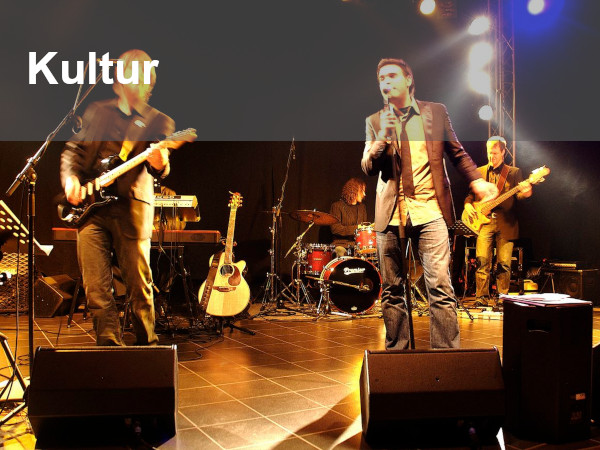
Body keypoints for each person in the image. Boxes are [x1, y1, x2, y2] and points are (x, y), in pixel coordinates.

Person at [361, 58, 498, 350]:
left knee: (440, 286)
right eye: (381, 78)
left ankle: (446, 357)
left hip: (430, 210)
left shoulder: (435, 112)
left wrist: (476, 181)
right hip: (391, 214)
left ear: (408, 79)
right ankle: (397, 356)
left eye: (392, 76)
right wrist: (382, 139)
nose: (386, 82)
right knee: (393, 290)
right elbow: (368, 166)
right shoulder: (375, 121)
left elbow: (457, 152)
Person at [61, 49, 176, 346]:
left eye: (141, 76)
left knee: (138, 287)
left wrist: (160, 162)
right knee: (96, 290)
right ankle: (109, 348)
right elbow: (73, 150)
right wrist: (71, 179)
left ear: (148, 82)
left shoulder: (158, 121)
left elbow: (160, 168)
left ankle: (148, 348)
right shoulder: (96, 111)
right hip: (91, 211)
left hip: (131, 210)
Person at [464, 136, 532, 306]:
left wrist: (526, 192)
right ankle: (481, 298)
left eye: (494, 153)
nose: (491, 156)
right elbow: (470, 195)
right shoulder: (479, 172)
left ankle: (503, 298)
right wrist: (467, 205)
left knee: (504, 264)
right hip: (484, 222)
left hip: (506, 223)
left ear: (503, 152)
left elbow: (519, 196)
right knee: (482, 261)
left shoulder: (513, 172)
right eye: (489, 152)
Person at [329, 177, 368, 257]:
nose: (364, 194)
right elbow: (336, 229)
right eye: (362, 191)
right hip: (341, 245)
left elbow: (364, 228)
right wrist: (358, 228)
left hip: (358, 246)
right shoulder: (337, 206)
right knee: (341, 251)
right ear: (353, 191)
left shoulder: (362, 208)